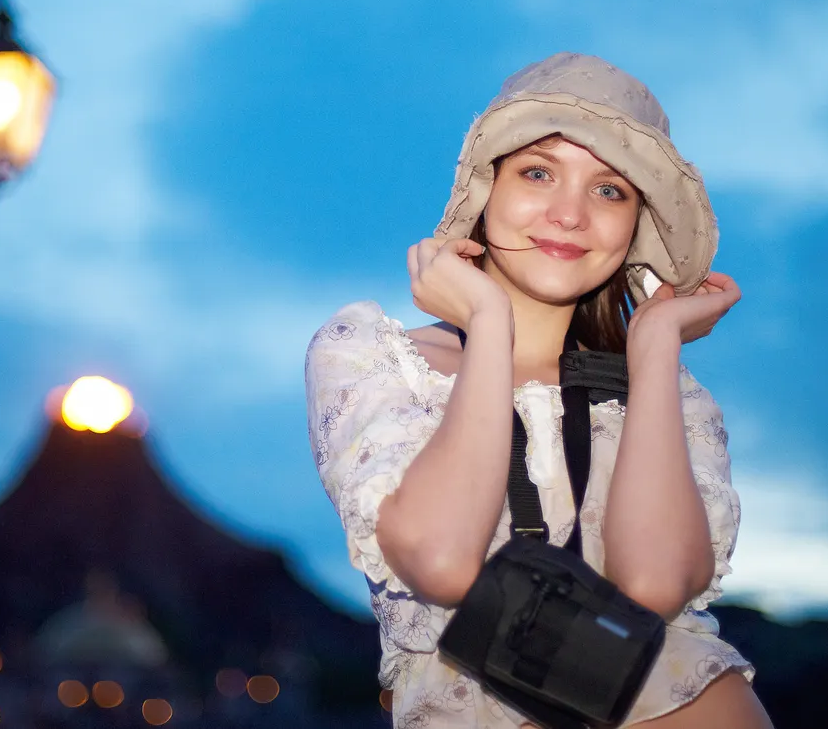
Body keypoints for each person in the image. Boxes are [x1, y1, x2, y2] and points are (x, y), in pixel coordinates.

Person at [304, 53, 774, 728]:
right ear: (484, 190)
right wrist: (488, 325)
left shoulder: (668, 396)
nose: (570, 213)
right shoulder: (376, 358)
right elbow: (439, 559)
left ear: (634, 227)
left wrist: (655, 341)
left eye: (609, 190)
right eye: (537, 172)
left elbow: (656, 586)